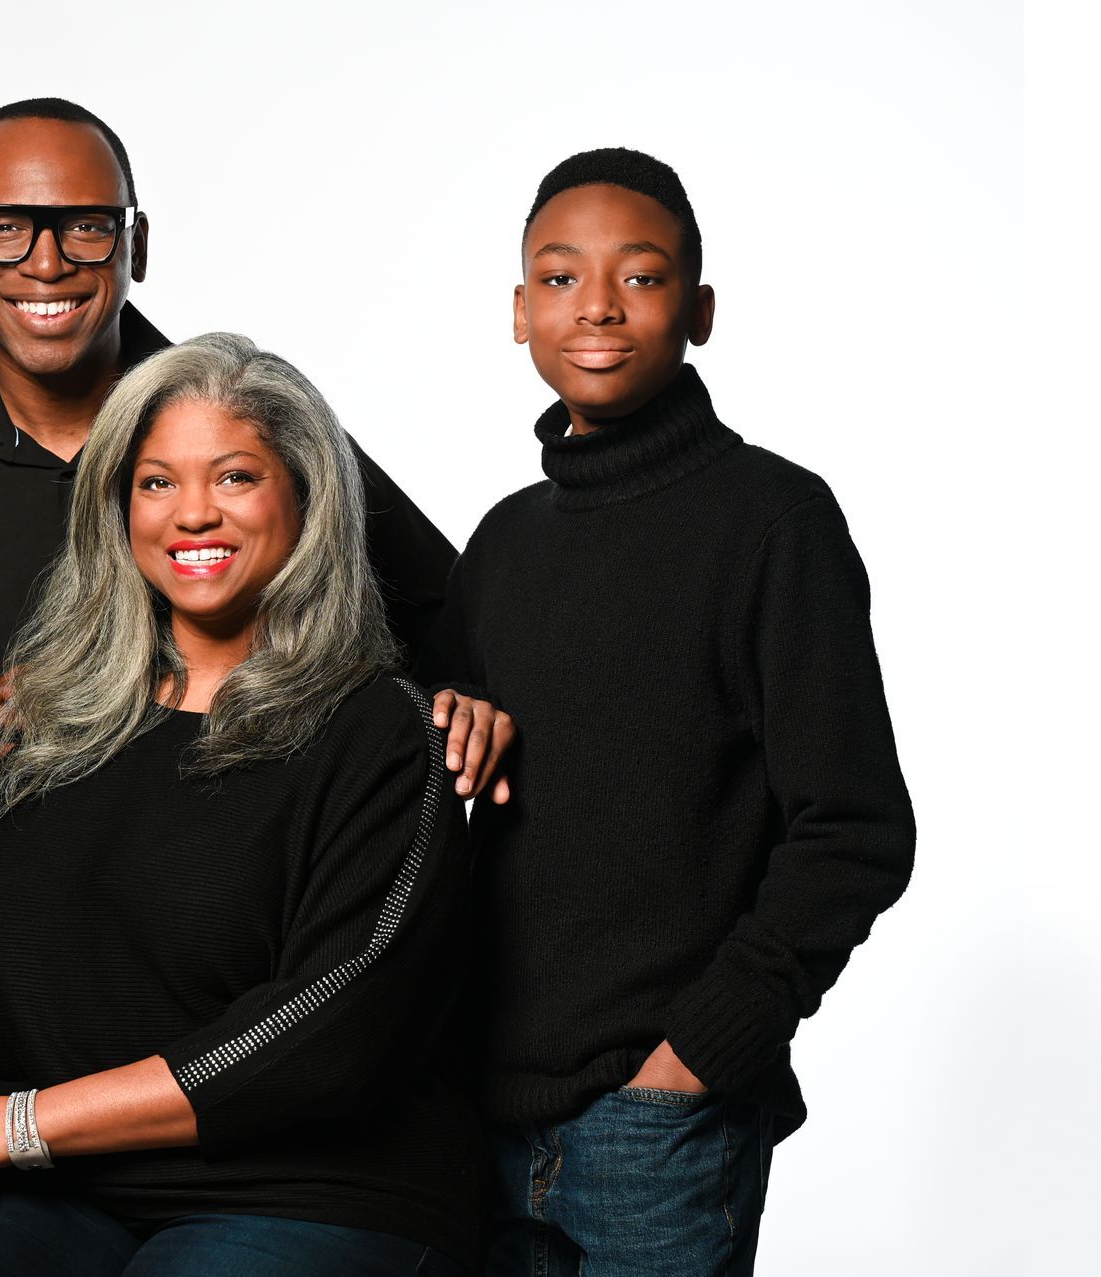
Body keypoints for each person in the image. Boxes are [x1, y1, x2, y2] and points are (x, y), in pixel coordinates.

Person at [0, 333, 484, 1276]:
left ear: (304, 498)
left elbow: (329, 1031)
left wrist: (10, 1126)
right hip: (59, 1191)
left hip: (313, 1198)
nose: (193, 513)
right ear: (118, 507)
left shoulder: (378, 730)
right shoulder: (38, 719)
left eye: (236, 477)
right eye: (158, 482)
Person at [415, 149, 917, 1276]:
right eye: (558, 278)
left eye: (638, 278)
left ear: (698, 310)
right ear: (516, 311)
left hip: (656, 1122)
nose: (594, 305)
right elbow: (443, 797)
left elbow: (855, 826)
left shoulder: (773, 521)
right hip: (474, 1112)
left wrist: (697, 1053)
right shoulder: (503, 542)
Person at [0, 101, 506, 801]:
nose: (47, 263)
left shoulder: (247, 420)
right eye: (5, 228)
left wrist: (463, 698)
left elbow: (453, 620)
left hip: (237, 875)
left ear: (136, 243)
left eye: (87, 227)